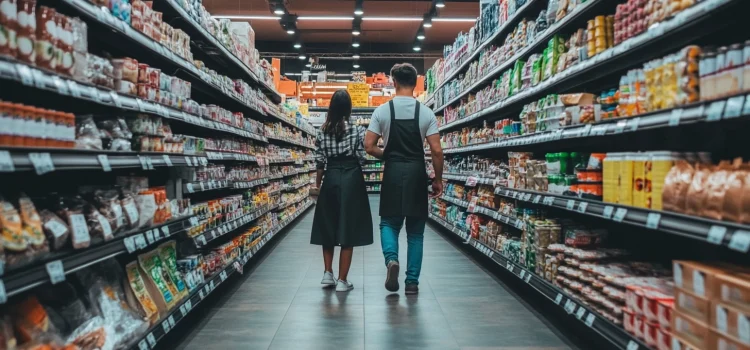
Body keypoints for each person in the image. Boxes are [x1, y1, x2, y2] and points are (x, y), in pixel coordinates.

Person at [364, 63, 444, 295]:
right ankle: (411, 283)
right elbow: (437, 151)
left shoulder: (382, 111)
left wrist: (385, 153)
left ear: (394, 82)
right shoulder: (426, 113)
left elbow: (369, 146)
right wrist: (437, 179)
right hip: (417, 173)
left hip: (393, 172)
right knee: (416, 232)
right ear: (416, 84)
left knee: (389, 223)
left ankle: (391, 261)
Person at [310, 89, 373, 292]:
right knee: (349, 227)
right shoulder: (357, 130)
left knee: (328, 224)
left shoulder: (321, 132)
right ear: (349, 108)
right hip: (352, 177)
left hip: (330, 177)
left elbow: (320, 162)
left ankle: (328, 273)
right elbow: (362, 158)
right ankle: (342, 280)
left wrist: (317, 185)